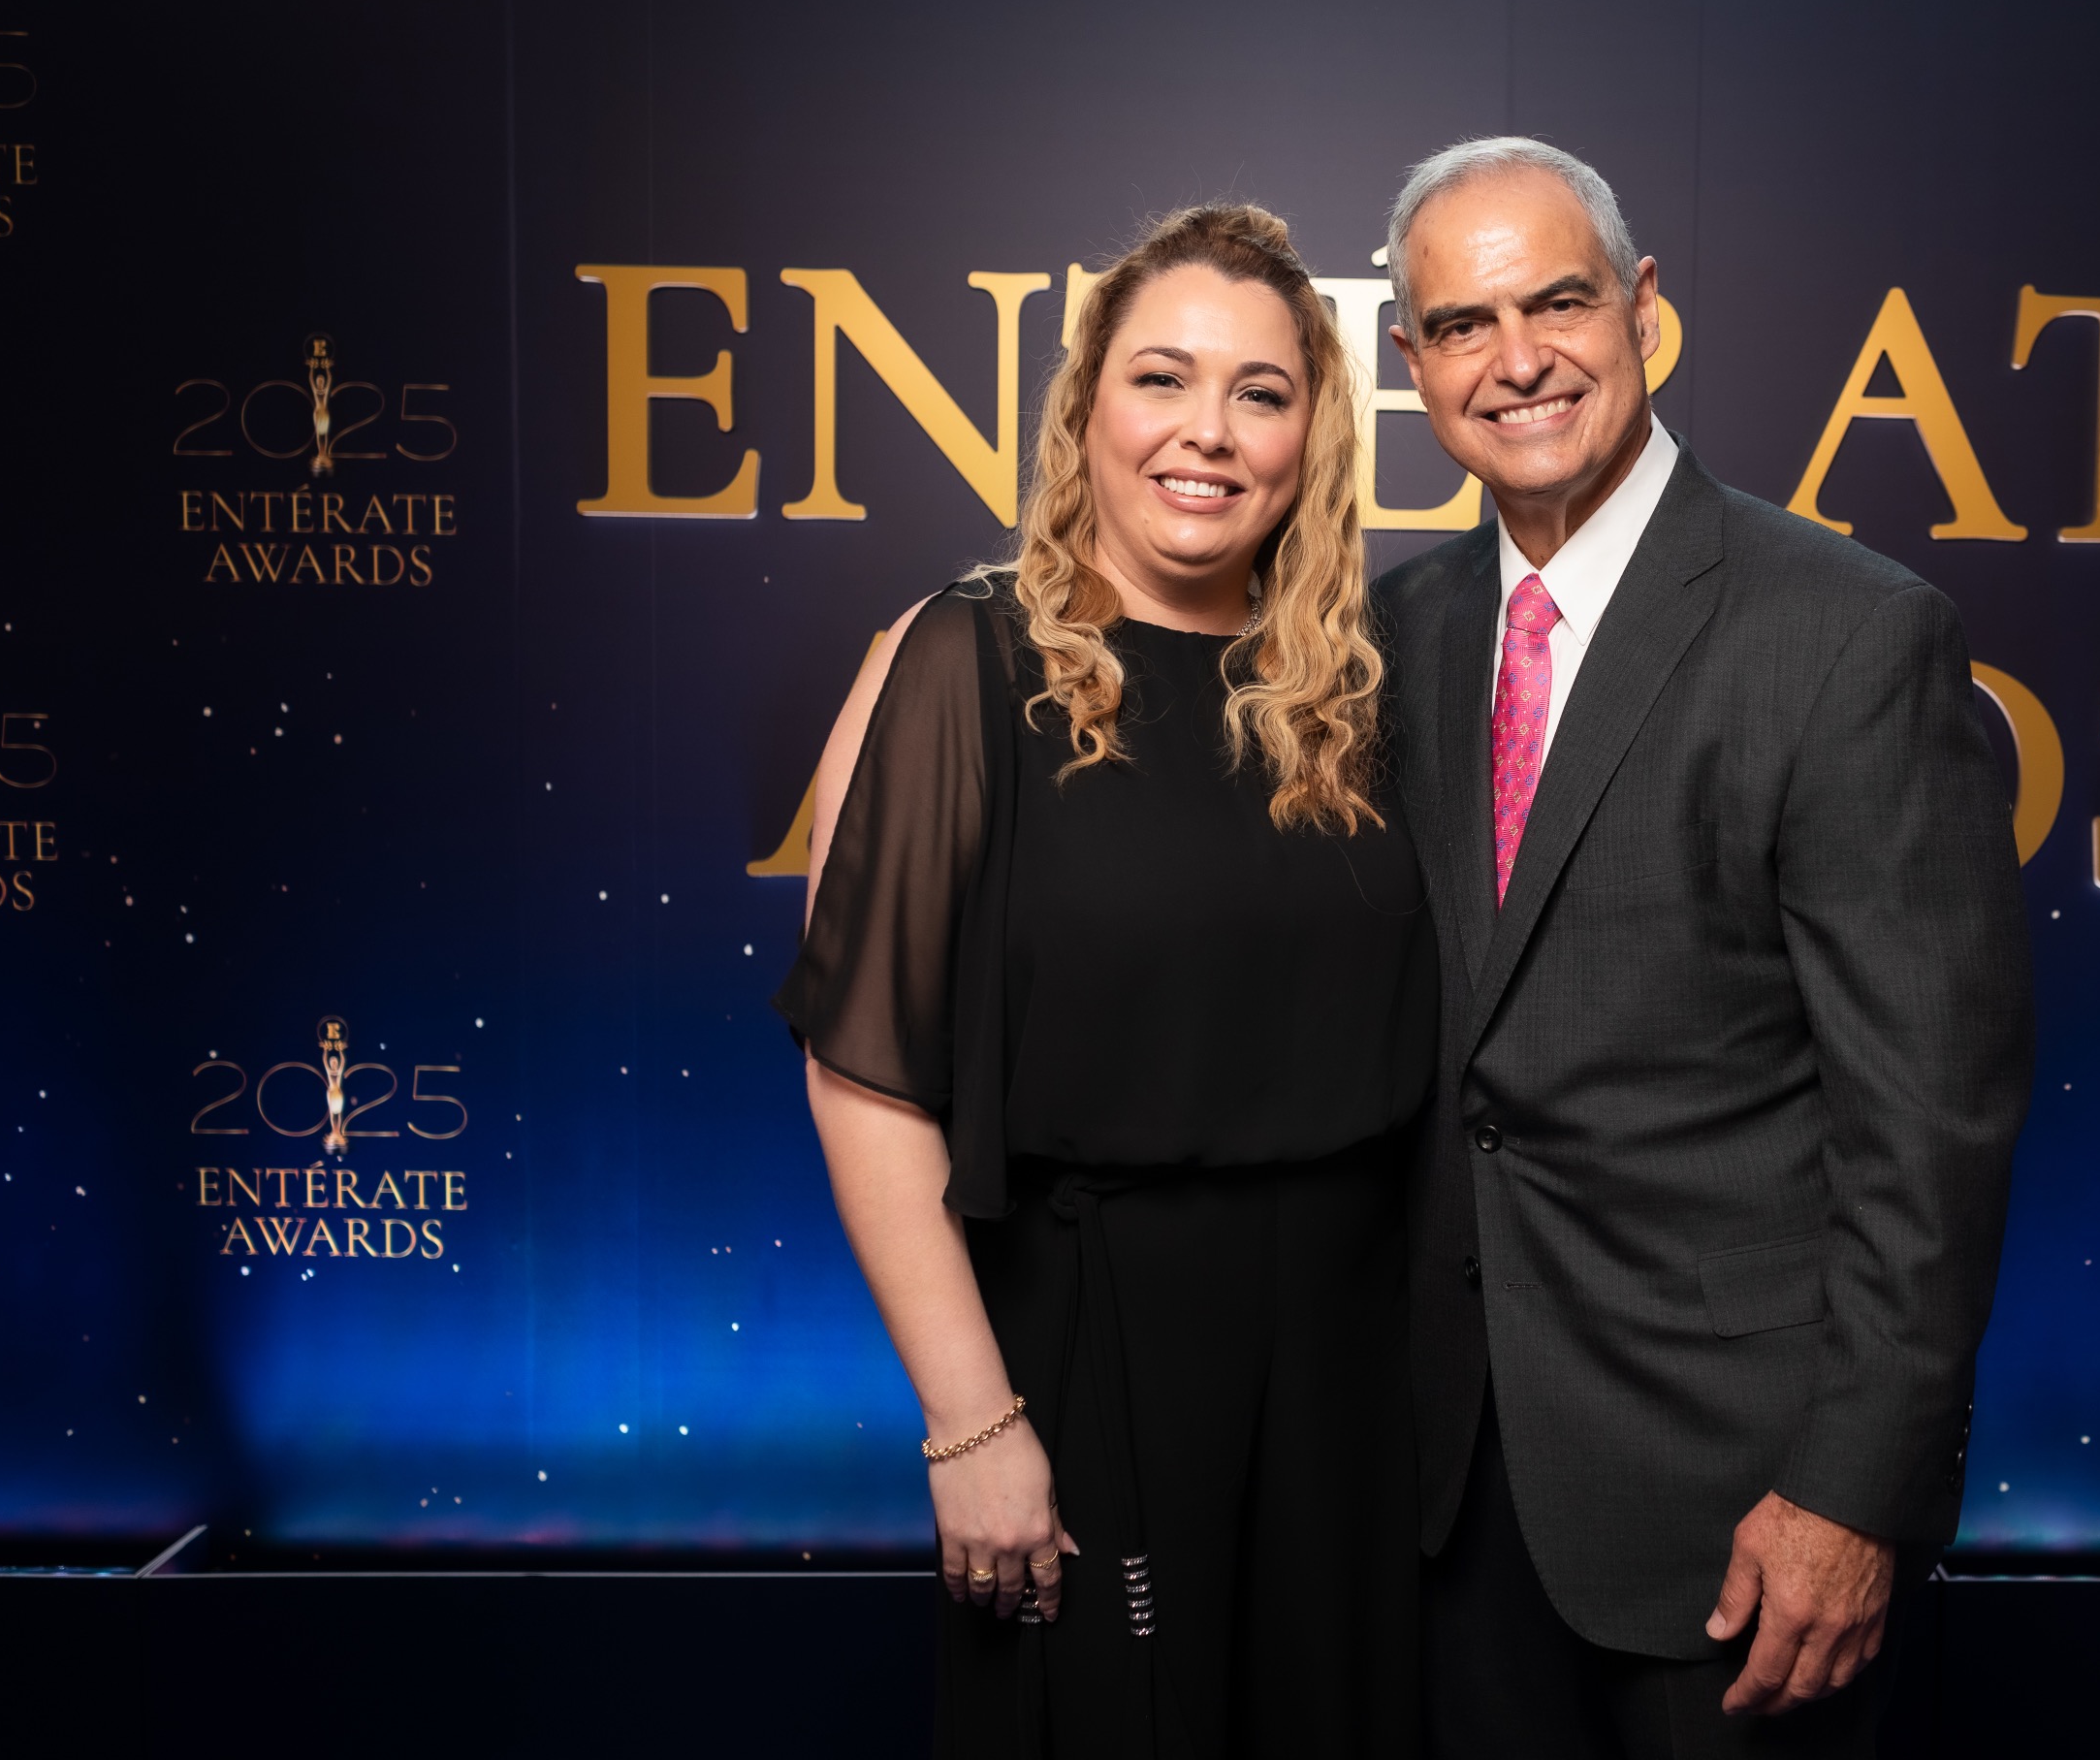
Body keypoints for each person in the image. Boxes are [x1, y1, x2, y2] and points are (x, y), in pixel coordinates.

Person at [1373, 139, 2035, 1757]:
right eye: (1461, 325)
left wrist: (1852, 1493)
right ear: (1412, 362)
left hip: (1745, 1523)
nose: (1516, 360)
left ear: (1644, 309)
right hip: (1444, 1501)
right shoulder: (1395, 636)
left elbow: (1931, 1128)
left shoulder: (1849, 634)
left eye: (1558, 303)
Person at [778, 203, 1436, 1757]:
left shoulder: (1358, 687)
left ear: (1312, 438)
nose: (1209, 432)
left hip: (1358, 1368)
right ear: (1086, 408)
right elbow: (864, 1078)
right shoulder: (960, 659)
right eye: (1162, 378)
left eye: (1261, 393)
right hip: (1093, 1350)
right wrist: (973, 1423)